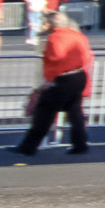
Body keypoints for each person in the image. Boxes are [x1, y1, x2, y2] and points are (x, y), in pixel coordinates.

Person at [10, 12, 93, 157]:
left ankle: (28, 147)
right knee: (75, 112)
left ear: (51, 24)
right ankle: (80, 144)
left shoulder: (55, 38)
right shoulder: (78, 35)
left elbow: (56, 59)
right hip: (79, 75)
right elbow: (86, 55)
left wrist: (48, 81)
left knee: (44, 113)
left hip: (62, 79)